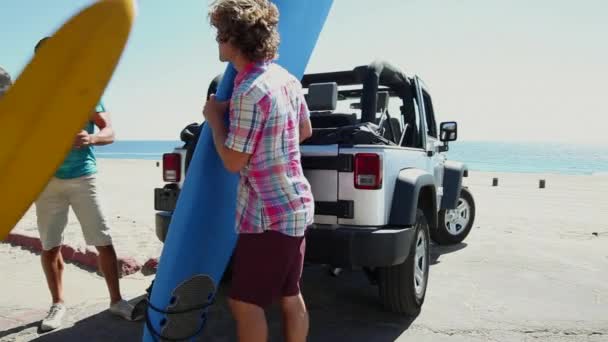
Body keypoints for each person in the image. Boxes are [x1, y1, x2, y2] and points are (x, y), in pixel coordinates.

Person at [203, 1, 314, 341]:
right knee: (289, 294)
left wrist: (214, 120)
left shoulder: (247, 91)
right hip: (295, 206)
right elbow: (305, 130)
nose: (218, 41)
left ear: (236, 39)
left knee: (244, 304)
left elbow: (233, 162)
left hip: (268, 215)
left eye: (221, 34)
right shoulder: (285, 79)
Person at [32, 36, 140, 332]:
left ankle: (116, 301)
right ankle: (57, 304)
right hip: (46, 182)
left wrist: (91, 138)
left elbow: (111, 131)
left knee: (102, 240)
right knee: (49, 245)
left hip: (83, 176)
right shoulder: (33, 97)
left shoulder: (85, 91)